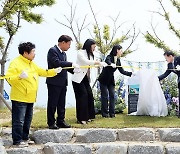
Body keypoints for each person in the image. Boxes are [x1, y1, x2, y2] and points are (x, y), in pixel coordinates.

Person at [5, 42, 62, 147]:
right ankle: (17, 141)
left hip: (30, 97)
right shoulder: (15, 63)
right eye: (33, 52)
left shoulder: (31, 63)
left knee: (27, 120)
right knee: (19, 120)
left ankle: (25, 138)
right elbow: (8, 78)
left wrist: (54, 71)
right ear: (25, 53)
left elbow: (42, 71)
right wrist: (19, 76)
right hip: (20, 97)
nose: (34, 54)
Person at [46, 35, 79, 129]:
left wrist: (73, 70)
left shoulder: (64, 54)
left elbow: (64, 67)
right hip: (54, 81)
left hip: (63, 82)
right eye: (68, 44)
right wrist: (71, 64)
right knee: (53, 103)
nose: (69, 46)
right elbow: (57, 63)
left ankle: (61, 121)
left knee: (61, 103)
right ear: (63, 43)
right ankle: (51, 122)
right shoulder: (53, 51)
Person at [71, 39, 106, 124]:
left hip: (85, 78)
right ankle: (81, 118)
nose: (94, 49)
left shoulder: (90, 54)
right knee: (83, 96)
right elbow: (86, 62)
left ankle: (88, 116)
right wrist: (98, 63)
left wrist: (100, 63)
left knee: (89, 95)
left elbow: (91, 63)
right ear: (89, 45)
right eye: (93, 47)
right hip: (78, 79)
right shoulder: (80, 53)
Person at [98, 45, 133, 118]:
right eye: (121, 50)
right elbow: (107, 61)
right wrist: (111, 64)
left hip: (110, 80)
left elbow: (122, 71)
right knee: (105, 96)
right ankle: (104, 114)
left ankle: (112, 114)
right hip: (103, 79)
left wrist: (131, 74)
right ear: (117, 50)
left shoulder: (118, 60)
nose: (122, 52)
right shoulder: (109, 56)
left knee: (112, 96)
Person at [158, 51, 180, 117]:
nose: (166, 60)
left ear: (170, 56)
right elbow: (165, 74)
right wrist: (156, 78)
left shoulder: (179, 59)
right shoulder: (169, 65)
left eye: (166, 58)